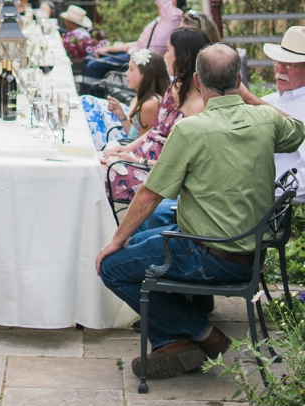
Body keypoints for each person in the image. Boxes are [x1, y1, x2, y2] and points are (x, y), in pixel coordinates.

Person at [97, 43, 305, 380]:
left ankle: (199, 334)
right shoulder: (266, 119)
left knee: (112, 267)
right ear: (239, 78)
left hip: (207, 256)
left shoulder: (191, 130)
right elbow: (297, 130)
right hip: (251, 256)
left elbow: (150, 195)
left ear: (196, 80)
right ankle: (176, 340)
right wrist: (250, 97)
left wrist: (114, 241)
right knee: (147, 239)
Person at [102, 27, 209, 206]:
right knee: (99, 163)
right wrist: (128, 149)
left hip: (159, 175)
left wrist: (136, 160)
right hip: (141, 158)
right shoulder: (176, 87)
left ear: (183, 56)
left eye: (169, 50)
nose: (165, 55)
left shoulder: (201, 104)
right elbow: (155, 130)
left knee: (103, 176)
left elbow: (182, 164)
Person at [83, 0, 185, 79]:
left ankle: (95, 95)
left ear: (172, 1)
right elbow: (139, 44)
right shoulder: (162, 20)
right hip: (133, 54)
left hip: (141, 61)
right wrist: (108, 49)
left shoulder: (173, 16)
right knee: (91, 56)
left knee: (93, 66)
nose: (157, 3)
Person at [82, 49, 169, 151]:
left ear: (146, 74)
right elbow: (133, 137)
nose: (126, 73)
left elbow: (142, 146)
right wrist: (121, 115)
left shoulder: (150, 104)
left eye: (131, 69)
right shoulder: (143, 97)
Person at [262, 26, 305, 201]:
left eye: (290, 64)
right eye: (277, 62)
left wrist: (268, 195)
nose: (280, 69)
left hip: (274, 210)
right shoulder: (268, 100)